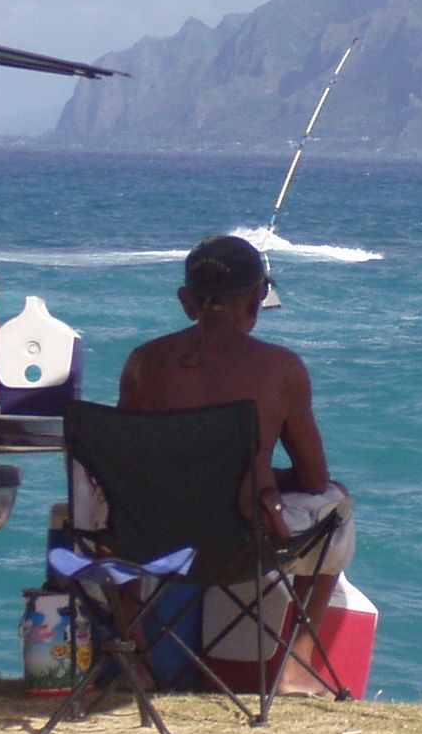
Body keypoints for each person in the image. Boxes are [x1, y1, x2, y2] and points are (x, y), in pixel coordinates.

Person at [118, 233, 355, 696]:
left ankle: (137, 660)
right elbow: (314, 478)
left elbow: (128, 461)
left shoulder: (143, 363)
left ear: (187, 301)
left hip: (149, 540)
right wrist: (262, 477)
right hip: (241, 544)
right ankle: (297, 667)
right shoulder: (280, 368)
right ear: (258, 298)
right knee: (338, 502)